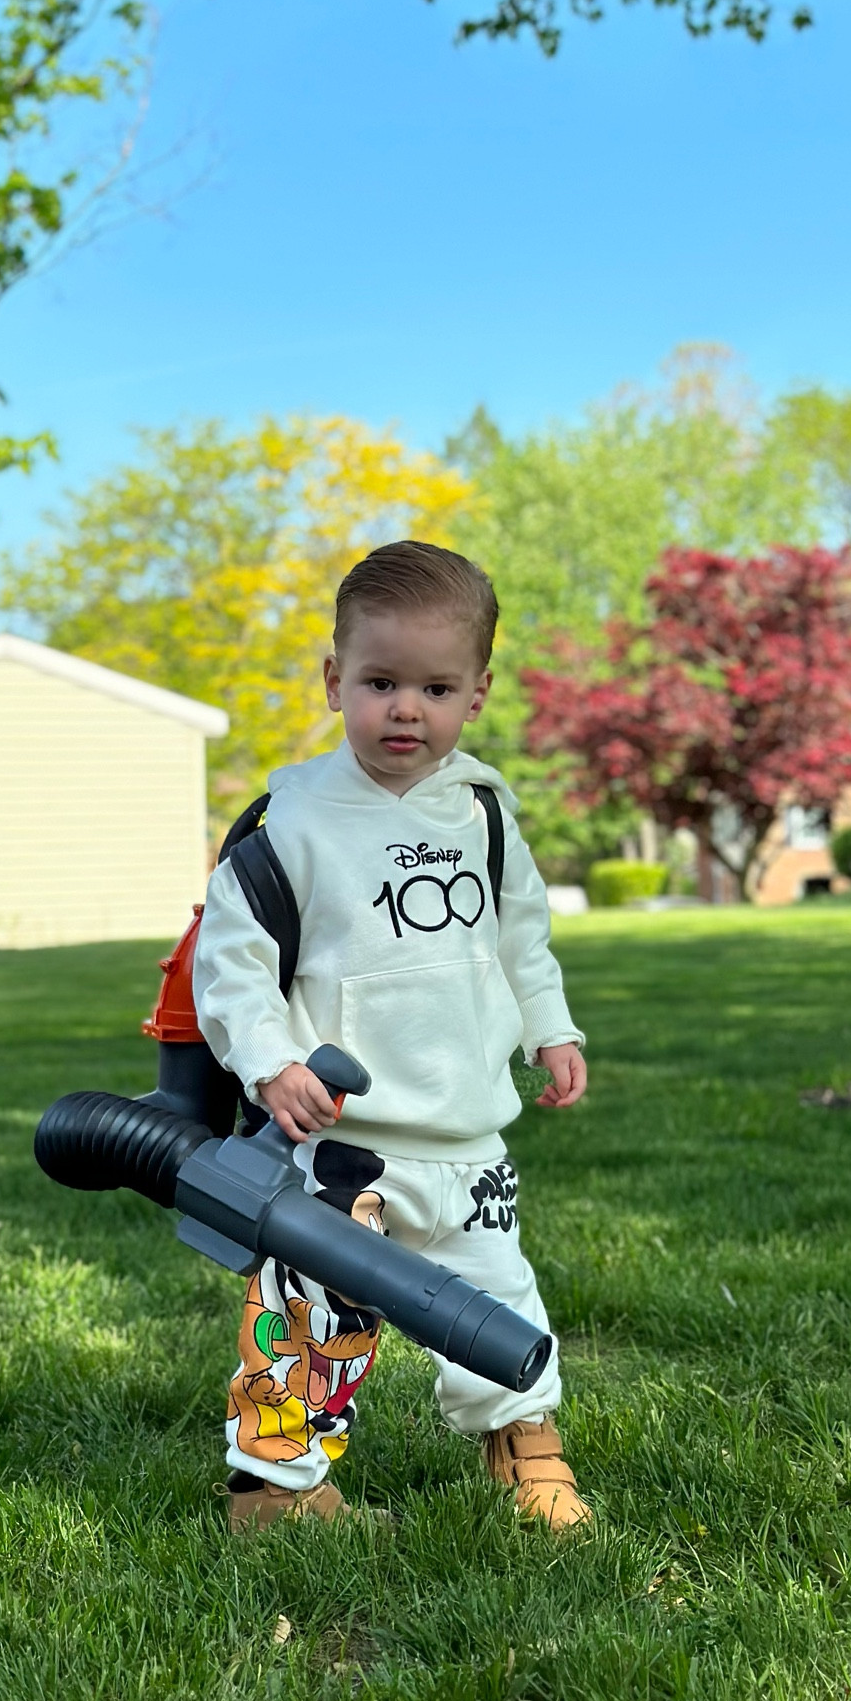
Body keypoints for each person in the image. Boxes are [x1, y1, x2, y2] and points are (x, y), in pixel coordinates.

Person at [192, 539, 591, 1534]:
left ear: (478, 693)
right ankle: (277, 1492)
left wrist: (550, 1027)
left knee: (500, 1298)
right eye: (379, 681)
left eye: (435, 686)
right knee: (313, 1316)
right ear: (335, 681)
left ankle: (524, 1449)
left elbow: (522, 936)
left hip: (466, 1137)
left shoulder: (487, 815)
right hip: (339, 1145)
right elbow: (230, 968)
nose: (405, 708)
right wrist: (270, 1061)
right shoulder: (288, 824)